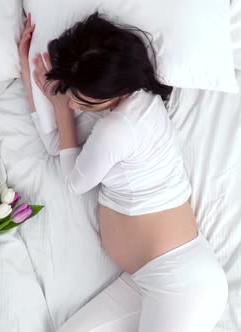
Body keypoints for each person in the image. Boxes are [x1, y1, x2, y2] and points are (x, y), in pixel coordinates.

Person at [19, 12, 228, 332]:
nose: (74, 105)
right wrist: (26, 67)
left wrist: (60, 106)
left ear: (111, 91)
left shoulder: (117, 128)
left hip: (179, 286)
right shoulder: (138, 103)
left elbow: (75, 181)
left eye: (81, 99)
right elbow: (59, 147)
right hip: (148, 281)